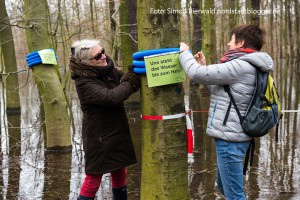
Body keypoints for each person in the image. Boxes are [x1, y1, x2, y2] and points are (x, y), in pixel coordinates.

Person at [179, 24, 273, 199]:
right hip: (236, 137)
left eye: (231, 40)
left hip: (230, 140)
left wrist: (184, 52)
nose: (228, 44)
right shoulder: (252, 65)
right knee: (225, 187)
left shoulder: (240, 66)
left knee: (234, 196)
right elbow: (219, 93)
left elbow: (195, 73)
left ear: (241, 42)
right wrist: (205, 66)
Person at [69, 39, 140, 200]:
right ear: (87, 63)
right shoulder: (83, 82)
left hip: (116, 130)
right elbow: (112, 97)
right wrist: (131, 79)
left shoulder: (107, 68)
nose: (103, 56)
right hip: (99, 137)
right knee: (94, 178)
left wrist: (134, 74)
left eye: (103, 51)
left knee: (120, 171)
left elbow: (126, 83)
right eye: (98, 55)